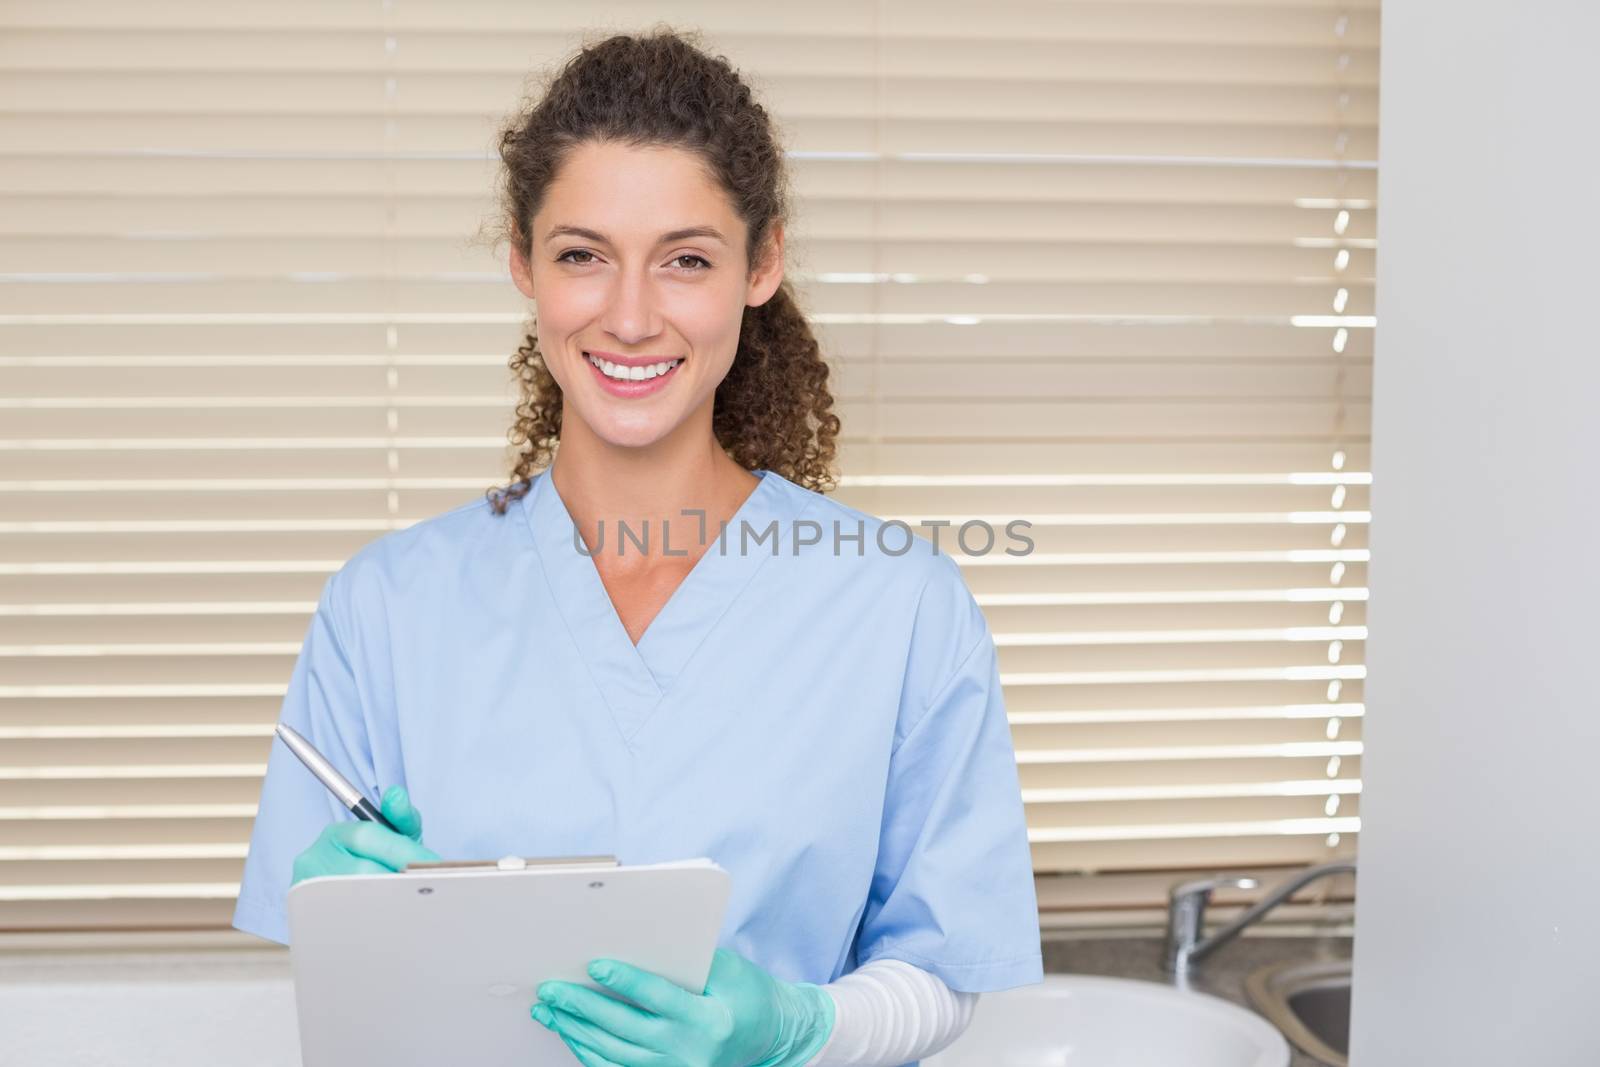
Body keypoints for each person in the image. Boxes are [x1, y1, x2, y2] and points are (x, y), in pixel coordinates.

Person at [232, 27, 1041, 1067]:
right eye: (582, 256)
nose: (628, 316)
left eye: (685, 261)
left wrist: (798, 1028)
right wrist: (341, 909)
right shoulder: (384, 606)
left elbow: (942, 964)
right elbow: (343, 988)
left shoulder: (899, 604)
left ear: (762, 265)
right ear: (523, 264)